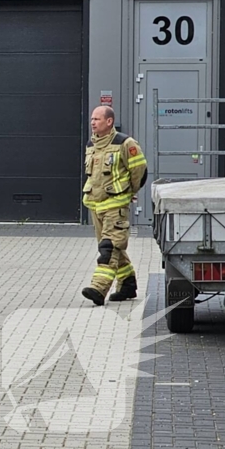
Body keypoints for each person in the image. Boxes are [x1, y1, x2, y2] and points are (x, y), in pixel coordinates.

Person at [81, 106, 148, 306]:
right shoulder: (91, 144)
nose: (93, 122)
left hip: (116, 207)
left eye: (97, 119)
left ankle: (99, 288)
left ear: (109, 121)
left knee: (108, 248)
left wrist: (129, 193)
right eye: (92, 119)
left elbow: (139, 170)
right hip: (96, 206)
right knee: (114, 248)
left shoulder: (125, 143)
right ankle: (127, 284)